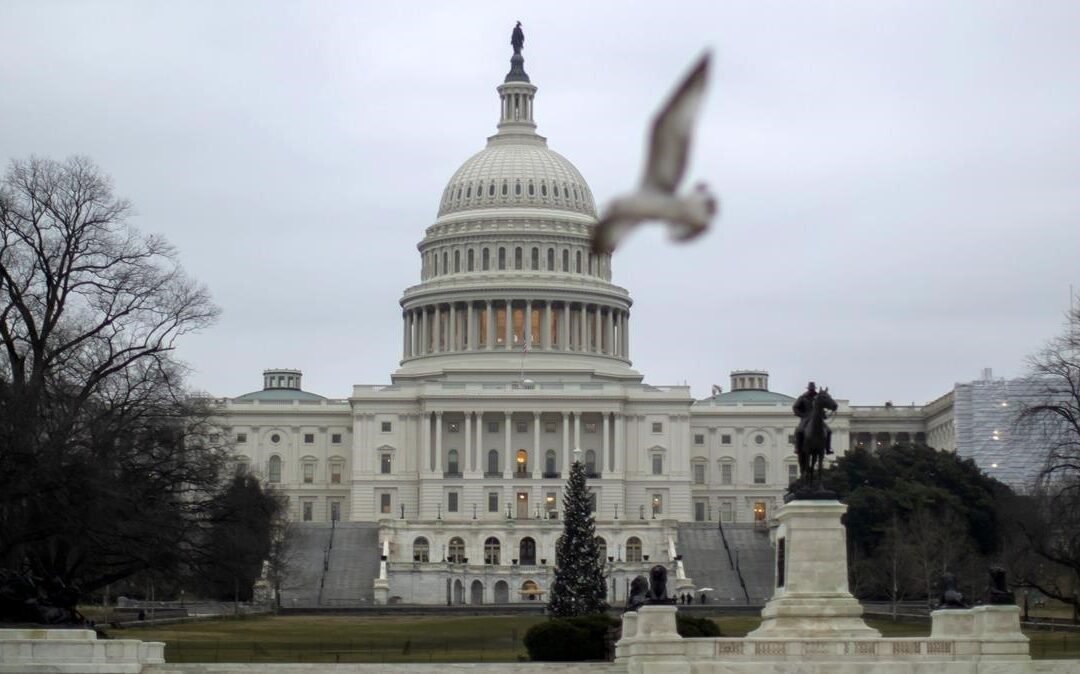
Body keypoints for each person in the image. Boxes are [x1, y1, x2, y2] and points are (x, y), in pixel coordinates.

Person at [792, 381, 833, 455]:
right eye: (811, 389)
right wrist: (802, 415)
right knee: (799, 431)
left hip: (817, 418)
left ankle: (828, 448)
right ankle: (797, 448)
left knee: (829, 431)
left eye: (813, 389)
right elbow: (795, 407)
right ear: (808, 389)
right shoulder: (802, 397)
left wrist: (823, 415)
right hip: (806, 418)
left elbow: (821, 407)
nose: (812, 390)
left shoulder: (818, 397)